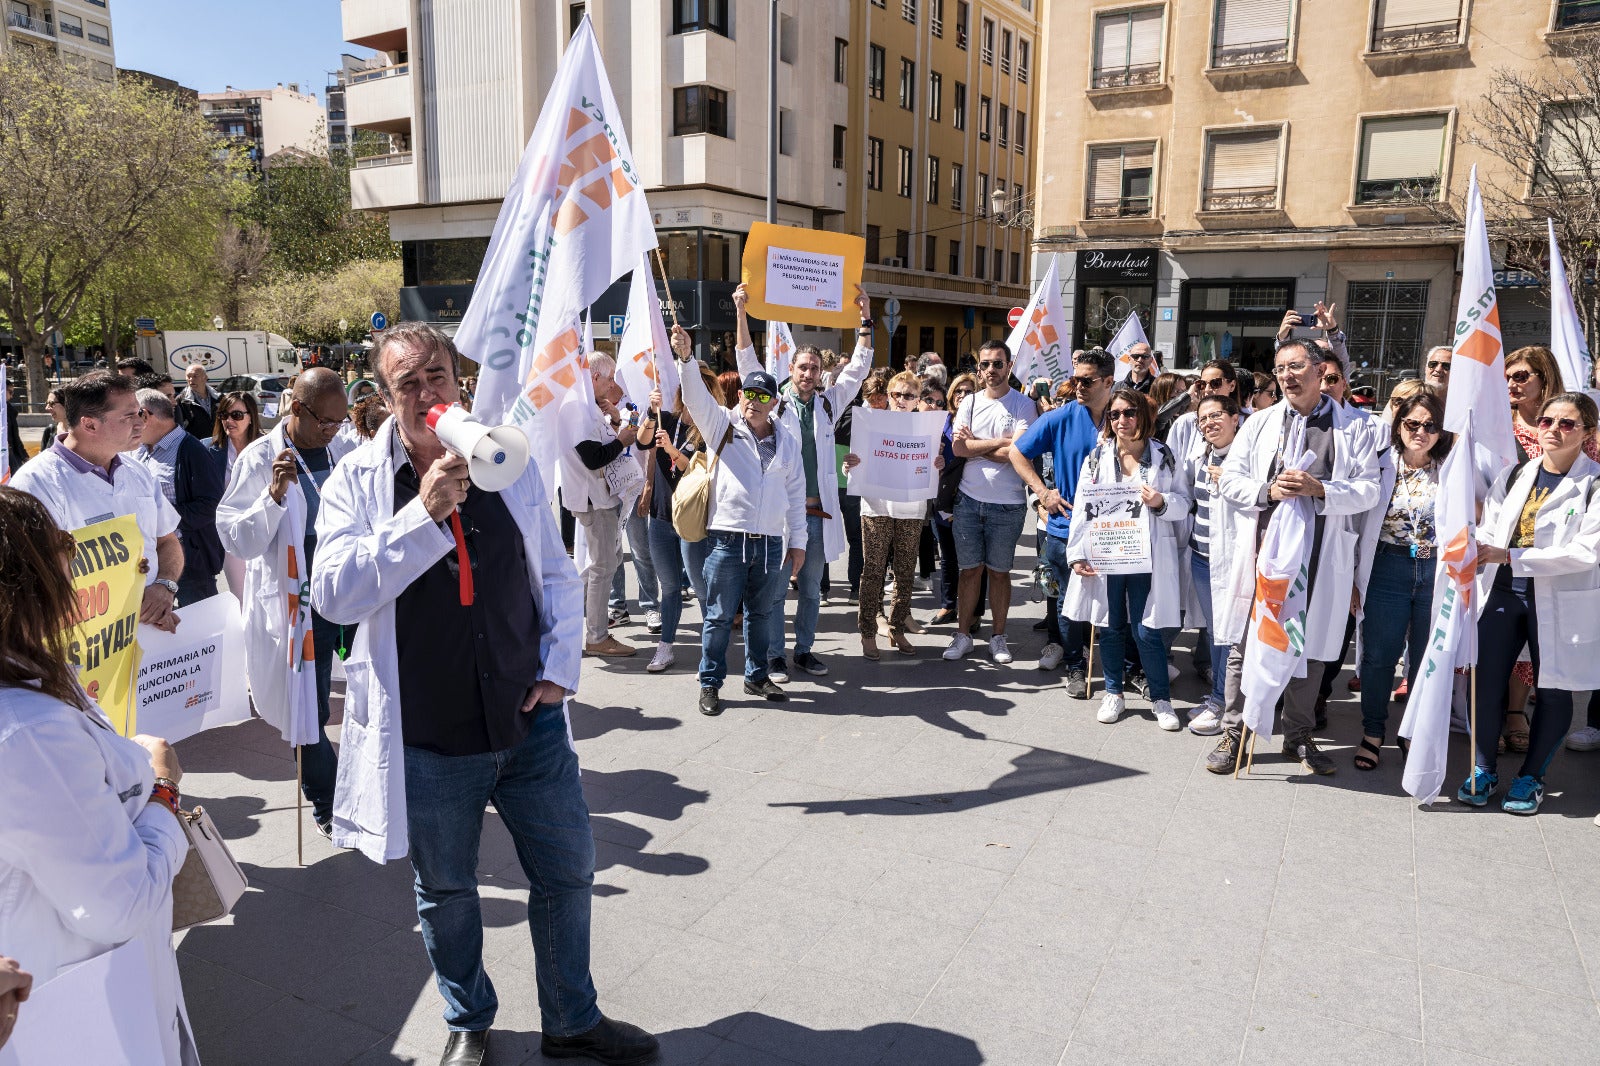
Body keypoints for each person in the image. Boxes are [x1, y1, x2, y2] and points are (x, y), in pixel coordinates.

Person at [310, 322, 658, 1066]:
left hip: (527, 723)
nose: (427, 393)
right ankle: (468, 1018)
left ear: (458, 382)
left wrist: (561, 668)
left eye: (437, 376)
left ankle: (572, 1020)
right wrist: (422, 514)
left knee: (567, 873)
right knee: (447, 890)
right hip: (432, 735)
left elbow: (557, 574)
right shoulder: (356, 480)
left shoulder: (510, 460)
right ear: (384, 398)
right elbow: (335, 597)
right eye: (408, 384)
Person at [0, 488, 195, 1064]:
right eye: (63, 555)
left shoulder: (36, 678)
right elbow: (120, 902)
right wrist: (162, 792)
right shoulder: (29, 734)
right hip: (81, 1009)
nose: (77, 573)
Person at [1206, 340, 1381, 777]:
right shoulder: (1259, 422)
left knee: (1310, 649)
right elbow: (1231, 481)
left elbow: (1370, 489)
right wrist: (1269, 491)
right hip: (1264, 555)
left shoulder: (1353, 427)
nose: (1286, 375)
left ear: (1320, 371)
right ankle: (1236, 731)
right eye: (1281, 367)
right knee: (1248, 645)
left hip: (1322, 556)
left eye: (1296, 366)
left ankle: (1298, 735)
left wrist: (1320, 490)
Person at [215, 367, 353, 838]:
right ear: (297, 409)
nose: (333, 429)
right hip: (299, 603)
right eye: (326, 421)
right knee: (307, 710)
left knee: (377, 691)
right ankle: (327, 802)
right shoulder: (260, 458)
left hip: (350, 593)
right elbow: (235, 536)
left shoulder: (343, 450)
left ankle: (367, 786)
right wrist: (272, 498)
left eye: (341, 420)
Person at [1461, 392, 1600, 815]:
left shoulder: (1593, 483)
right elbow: (1490, 529)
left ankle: (1531, 777)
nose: (1554, 430)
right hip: (1503, 591)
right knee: (1485, 682)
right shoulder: (1516, 473)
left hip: (1557, 597)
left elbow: (1588, 551)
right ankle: (1482, 767)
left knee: (1554, 690)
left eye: (1567, 424)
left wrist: (1512, 556)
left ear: (1588, 433)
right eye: (1547, 421)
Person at [734, 283, 872, 681]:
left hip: (818, 513)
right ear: (790, 371)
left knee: (812, 591)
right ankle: (775, 656)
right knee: (777, 592)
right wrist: (742, 312)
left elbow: (860, 366)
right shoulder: (773, 405)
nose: (808, 373)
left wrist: (866, 317)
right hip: (782, 517)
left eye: (814, 368)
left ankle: (805, 650)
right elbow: (746, 363)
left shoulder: (830, 401)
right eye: (801, 368)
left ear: (820, 371)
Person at [671, 324, 806, 717]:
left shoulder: (788, 441)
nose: (753, 400)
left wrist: (798, 542)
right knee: (717, 616)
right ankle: (710, 682)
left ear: (774, 402)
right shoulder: (723, 427)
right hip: (728, 539)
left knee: (762, 615)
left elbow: (795, 495)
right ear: (742, 395)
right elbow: (696, 398)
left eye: (763, 395)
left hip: (769, 542)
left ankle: (756, 676)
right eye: (749, 393)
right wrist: (685, 360)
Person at [10, 372, 182, 634]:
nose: (141, 423)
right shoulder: (36, 484)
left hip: (149, 636)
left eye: (140, 413)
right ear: (89, 425)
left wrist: (164, 586)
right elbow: (31, 584)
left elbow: (167, 541)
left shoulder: (137, 471)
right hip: (83, 651)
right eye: (129, 416)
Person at [1062, 389, 1190, 730]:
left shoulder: (1164, 456)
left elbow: (1184, 502)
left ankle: (1161, 699)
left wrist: (1161, 501)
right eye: (1115, 414)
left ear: (1143, 416)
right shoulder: (1097, 457)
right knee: (1111, 626)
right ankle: (1114, 693)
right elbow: (1082, 506)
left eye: (1129, 413)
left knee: (1147, 629)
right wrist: (1076, 554)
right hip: (1109, 557)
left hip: (1148, 558)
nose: (1122, 420)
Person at [1352, 390, 1450, 770]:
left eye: (1430, 425)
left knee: (1426, 659)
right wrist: (1352, 580)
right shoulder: (1377, 465)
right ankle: (1373, 732)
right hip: (1385, 569)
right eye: (1413, 423)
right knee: (1379, 658)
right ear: (1399, 425)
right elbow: (1356, 524)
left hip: (1434, 571)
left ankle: (1412, 732)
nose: (1421, 432)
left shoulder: (1453, 469)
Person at [1010, 349, 1117, 697]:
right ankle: (1074, 666)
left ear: (1109, 381)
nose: (1079, 387)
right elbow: (1017, 452)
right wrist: (1043, 492)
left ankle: (1124, 668)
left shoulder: (1125, 414)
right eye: (1075, 380)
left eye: (1087, 381)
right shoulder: (1060, 417)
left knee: (1114, 600)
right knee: (1066, 602)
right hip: (1065, 527)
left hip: (1116, 530)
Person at [943, 340, 1038, 664]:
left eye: (998, 364)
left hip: (1008, 505)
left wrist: (976, 444)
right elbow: (958, 449)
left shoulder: (1024, 405)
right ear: (978, 368)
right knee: (969, 571)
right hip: (968, 501)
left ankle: (998, 637)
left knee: (999, 572)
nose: (991, 370)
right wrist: (1002, 443)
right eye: (985, 364)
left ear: (1009, 367)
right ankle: (964, 635)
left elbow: (1020, 453)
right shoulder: (968, 402)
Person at [844, 371, 942, 659]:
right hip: (876, 506)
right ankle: (867, 632)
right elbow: (853, 463)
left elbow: (932, 465)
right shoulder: (870, 422)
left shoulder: (926, 428)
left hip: (911, 507)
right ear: (888, 395)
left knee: (904, 571)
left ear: (917, 399)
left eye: (909, 395)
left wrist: (938, 462)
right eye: (897, 394)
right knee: (873, 570)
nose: (902, 400)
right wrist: (849, 466)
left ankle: (897, 627)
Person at [559, 353, 646, 659]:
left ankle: (558, 610)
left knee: (602, 564)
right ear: (594, 378)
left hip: (599, 495)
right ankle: (595, 635)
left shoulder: (587, 407)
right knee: (604, 565)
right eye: (609, 379)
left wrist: (616, 423)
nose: (613, 386)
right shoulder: (577, 408)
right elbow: (593, 456)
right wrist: (622, 439)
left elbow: (600, 445)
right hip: (592, 497)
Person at [642, 369, 718, 672]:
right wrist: (650, 412)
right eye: (685, 390)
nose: (688, 397)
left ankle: (711, 650)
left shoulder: (710, 429)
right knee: (670, 587)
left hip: (691, 520)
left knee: (701, 587)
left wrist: (671, 449)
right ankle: (665, 648)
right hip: (661, 517)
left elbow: (695, 470)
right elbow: (641, 441)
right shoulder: (668, 420)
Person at [1182, 392, 1246, 736]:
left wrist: (1233, 481)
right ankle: (1219, 698)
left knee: (1228, 635)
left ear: (1236, 417)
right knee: (1214, 632)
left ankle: (1223, 703)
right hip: (1201, 559)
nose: (1210, 423)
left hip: (1231, 564)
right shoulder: (1201, 456)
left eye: (1217, 415)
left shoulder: (1246, 459)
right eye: (1203, 419)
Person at [134, 389, 225, 606]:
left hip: (189, 566)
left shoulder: (191, 451)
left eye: (131, 415)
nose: (128, 424)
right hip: (148, 565)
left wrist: (157, 519)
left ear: (145, 416)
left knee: (200, 633)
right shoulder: (140, 451)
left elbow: (210, 506)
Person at [208, 391, 263, 602]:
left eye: (237, 415)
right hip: (232, 538)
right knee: (240, 596)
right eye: (224, 415)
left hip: (265, 533)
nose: (229, 421)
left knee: (267, 596)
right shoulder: (211, 451)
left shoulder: (268, 448)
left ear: (251, 417)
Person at [176, 364, 220, 440]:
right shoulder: (181, 400)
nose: (191, 379)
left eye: (195, 376)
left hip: (219, 443)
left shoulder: (219, 397)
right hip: (196, 445)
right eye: (188, 376)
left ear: (205, 378)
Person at [38, 388, 67, 453]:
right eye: (47, 403)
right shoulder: (49, 430)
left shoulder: (82, 434)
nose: (47, 408)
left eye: (51, 403)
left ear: (66, 404)